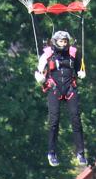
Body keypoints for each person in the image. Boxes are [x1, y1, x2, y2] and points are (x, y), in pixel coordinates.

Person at [34, 30, 87, 167]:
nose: (63, 44)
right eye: (61, 41)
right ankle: (51, 153)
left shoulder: (73, 54)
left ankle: (80, 153)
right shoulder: (47, 54)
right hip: (54, 89)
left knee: (76, 119)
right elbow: (38, 71)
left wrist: (81, 72)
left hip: (70, 89)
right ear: (55, 42)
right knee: (54, 121)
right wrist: (39, 77)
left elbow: (79, 68)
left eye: (65, 41)